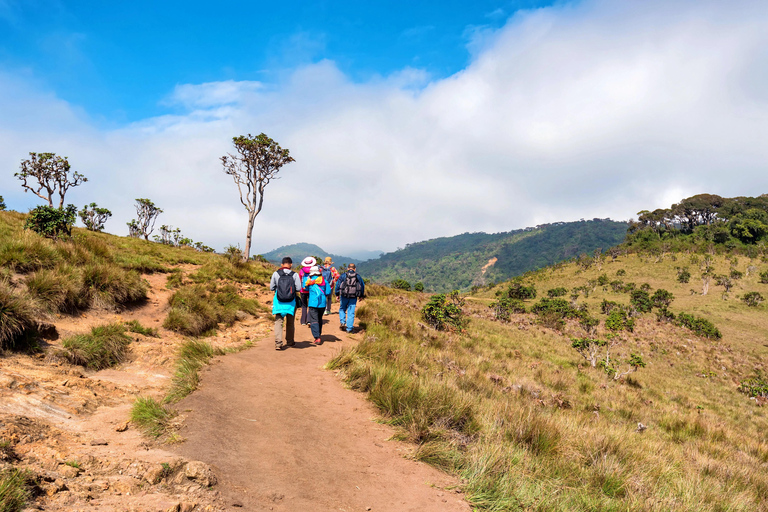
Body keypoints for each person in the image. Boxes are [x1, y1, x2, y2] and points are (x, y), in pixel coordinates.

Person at [269, 257, 301, 351]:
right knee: (290, 322)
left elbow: (271, 287)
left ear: (282, 265)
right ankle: (290, 341)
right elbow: (298, 288)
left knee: (279, 322)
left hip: (279, 302)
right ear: (291, 264)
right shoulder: (294, 274)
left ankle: (278, 343)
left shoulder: (276, 273)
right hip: (291, 302)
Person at [303, 265, 330, 345]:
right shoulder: (324, 281)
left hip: (312, 303)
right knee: (319, 319)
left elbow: (305, 289)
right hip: (322, 303)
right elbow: (328, 292)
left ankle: (317, 337)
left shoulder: (308, 281)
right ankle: (319, 334)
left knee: (314, 320)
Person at [335, 263, 365, 334]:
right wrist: (361, 295)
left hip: (344, 296)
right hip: (353, 296)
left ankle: (342, 322)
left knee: (342, 308)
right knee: (351, 312)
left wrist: (337, 294)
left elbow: (338, 285)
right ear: (355, 269)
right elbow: (362, 286)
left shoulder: (343, 275)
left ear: (348, 268)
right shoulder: (358, 276)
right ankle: (349, 328)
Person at [298, 257, 316, 325]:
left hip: (303, 290)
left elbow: (300, 280)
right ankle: (309, 320)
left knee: (304, 306)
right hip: (311, 290)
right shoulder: (313, 270)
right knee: (310, 305)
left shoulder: (301, 270)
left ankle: (303, 321)